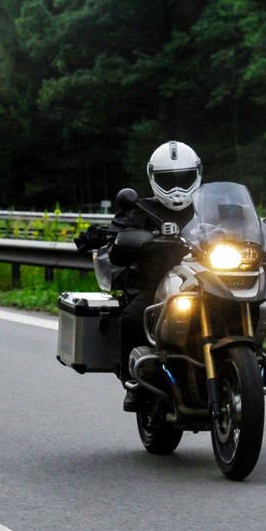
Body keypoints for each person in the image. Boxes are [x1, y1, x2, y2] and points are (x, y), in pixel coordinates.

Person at [95, 141, 200, 411]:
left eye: (184, 178)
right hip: (155, 288)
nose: (177, 187)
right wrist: (130, 240)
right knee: (133, 316)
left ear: (197, 173)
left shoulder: (209, 209)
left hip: (208, 284)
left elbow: (242, 226)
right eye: (168, 180)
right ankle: (136, 383)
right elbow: (116, 245)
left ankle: (250, 357)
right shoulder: (138, 211)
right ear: (153, 178)